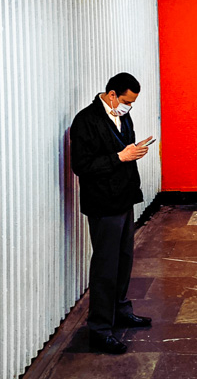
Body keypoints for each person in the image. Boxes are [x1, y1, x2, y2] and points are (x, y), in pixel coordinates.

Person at [70, 72, 153, 354]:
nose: (129, 107)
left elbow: (123, 150)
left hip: (124, 199)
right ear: (112, 95)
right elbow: (81, 165)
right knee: (105, 266)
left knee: (124, 259)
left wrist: (134, 151)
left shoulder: (123, 116)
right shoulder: (86, 120)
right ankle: (100, 329)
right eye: (127, 101)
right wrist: (120, 157)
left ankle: (120, 311)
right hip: (103, 204)